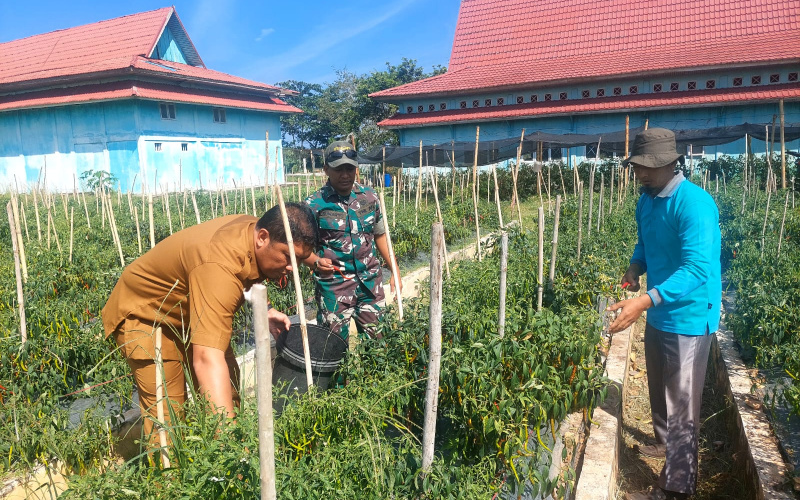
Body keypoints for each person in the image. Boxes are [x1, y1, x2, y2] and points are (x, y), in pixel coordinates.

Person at [102, 203, 318, 444]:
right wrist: (231, 450)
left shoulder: (258, 229)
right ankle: (172, 478)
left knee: (229, 390)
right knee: (168, 412)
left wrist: (266, 308)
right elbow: (206, 359)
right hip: (146, 314)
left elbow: (258, 266)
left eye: (298, 260)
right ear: (262, 238)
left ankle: (219, 455)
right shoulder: (218, 267)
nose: (292, 268)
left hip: (192, 306)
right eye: (288, 258)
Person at [607, 128, 721, 500]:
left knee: (682, 403)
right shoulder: (647, 200)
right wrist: (634, 268)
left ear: (673, 164)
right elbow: (645, 239)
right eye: (637, 166)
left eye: (647, 167)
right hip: (659, 309)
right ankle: (661, 443)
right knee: (659, 383)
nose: (640, 173)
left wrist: (643, 302)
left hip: (688, 316)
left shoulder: (695, 204)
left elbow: (697, 268)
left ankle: (676, 488)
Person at [303, 140, 401, 342]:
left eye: (350, 168)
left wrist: (395, 270)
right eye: (339, 169)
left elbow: (380, 235)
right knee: (333, 350)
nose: (345, 175)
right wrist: (314, 262)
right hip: (334, 288)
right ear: (326, 170)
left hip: (370, 284)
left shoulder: (369, 197)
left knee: (379, 345)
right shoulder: (314, 204)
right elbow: (297, 248)